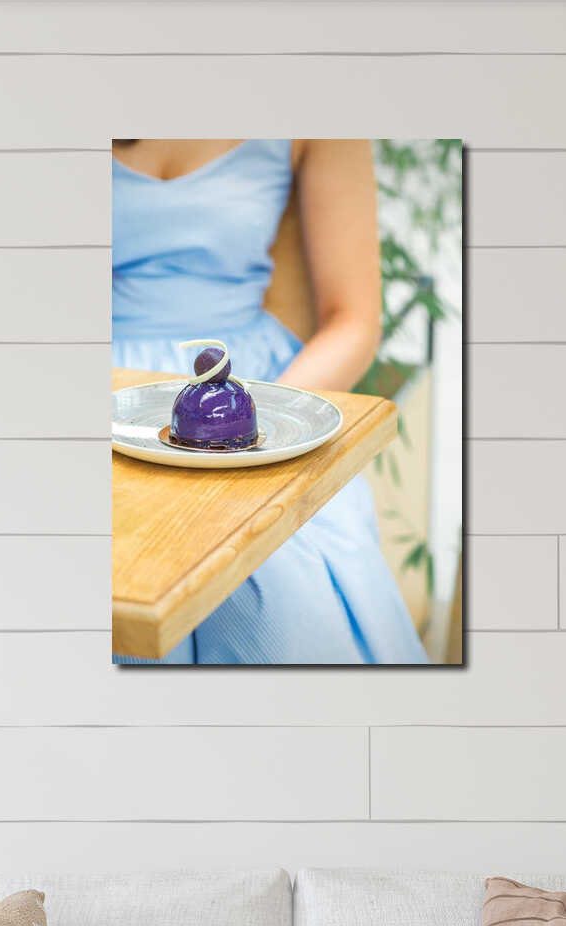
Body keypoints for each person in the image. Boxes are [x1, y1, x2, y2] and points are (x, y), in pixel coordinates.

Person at [113, 138, 429, 665]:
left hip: (259, 382)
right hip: (111, 386)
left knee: (277, 591)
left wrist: (273, 425)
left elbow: (352, 321)